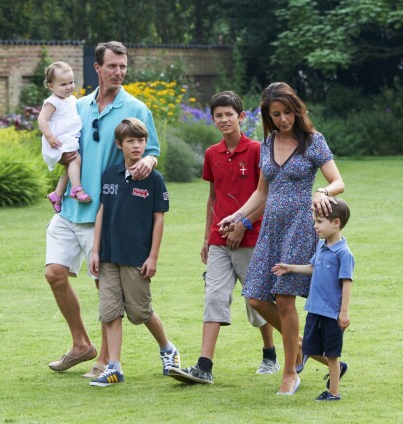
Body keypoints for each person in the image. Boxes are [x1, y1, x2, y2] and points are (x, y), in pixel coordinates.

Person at [218, 82, 345, 395]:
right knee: (256, 296)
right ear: (268, 116)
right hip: (271, 229)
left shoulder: (313, 141)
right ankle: (301, 347)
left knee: (286, 300)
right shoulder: (267, 144)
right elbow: (262, 192)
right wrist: (236, 217)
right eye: (276, 114)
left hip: (301, 228)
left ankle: (290, 372)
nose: (283, 118)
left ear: (296, 110)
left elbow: (337, 181)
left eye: (288, 112)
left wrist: (322, 191)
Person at [45, 41, 160, 378]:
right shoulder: (76, 105)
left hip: (105, 213)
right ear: (97, 68)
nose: (119, 72)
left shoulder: (136, 108)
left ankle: (106, 360)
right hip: (69, 207)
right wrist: (59, 153)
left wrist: (149, 162)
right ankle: (81, 344)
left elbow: (152, 149)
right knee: (54, 273)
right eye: (112, 66)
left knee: (103, 286)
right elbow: (60, 140)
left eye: (123, 66)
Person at [167, 91, 276, 385]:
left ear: (241, 117)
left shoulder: (257, 150)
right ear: (213, 119)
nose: (224, 119)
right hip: (219, 239)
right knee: (213, 296)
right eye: (219, 115)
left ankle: (271, 354)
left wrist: (243, 223)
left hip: (251, 238)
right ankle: (204, 367)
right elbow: (213, 196)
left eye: (230, 114)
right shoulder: (211, 154)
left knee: (258, 301)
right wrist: (207, 236)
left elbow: (266, 195)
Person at [88, 118, 179, 387]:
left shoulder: (154, 179)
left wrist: (153, 257)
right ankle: (114, 367)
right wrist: (95, 251)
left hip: (136, 258)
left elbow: (159, 219)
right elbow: (102, 212)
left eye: (141, 140)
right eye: (131, 141)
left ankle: (167, 349)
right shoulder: (109, 175)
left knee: (140, 313)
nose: (137, 145)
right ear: (120, 145)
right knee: (110, 312)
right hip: (108, 257)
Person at [272, 198, 354, 401]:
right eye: (315, 221)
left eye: (319, 222)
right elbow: (313, 267)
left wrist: (343, 312)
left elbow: (346, 283)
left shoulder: (343, 253)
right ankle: (328, 367)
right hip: (315, 309)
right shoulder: (321, 246)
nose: (315, 226)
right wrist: (290, 268)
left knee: (332, 353)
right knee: (308, 347)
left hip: (331, 313)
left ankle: (334, 393)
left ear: (336, 223)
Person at [38, 61, 91, 212]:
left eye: (71, 82)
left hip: (68, 139)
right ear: (51, 86)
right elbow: (42, 119)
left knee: (70, 168)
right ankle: (76, 189)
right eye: (63, 84)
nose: (69, 87)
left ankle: (56, 195)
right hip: (58, 140)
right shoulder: (52, 102)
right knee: (76, 159)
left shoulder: (72, 100)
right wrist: (49, 137)